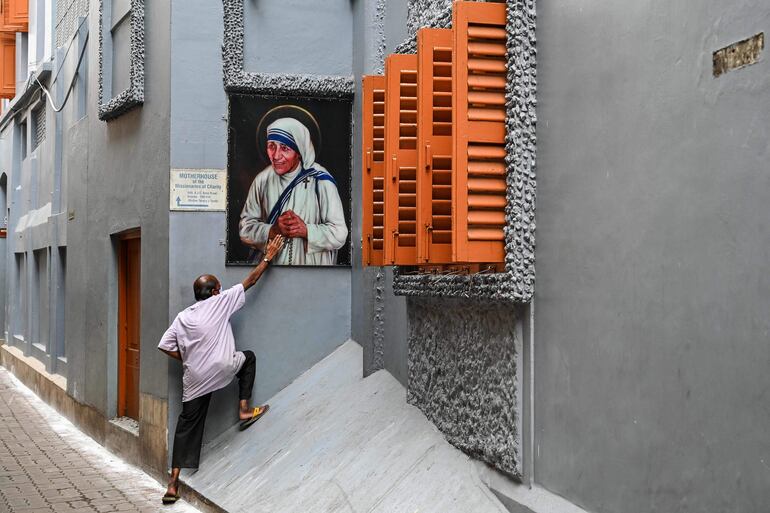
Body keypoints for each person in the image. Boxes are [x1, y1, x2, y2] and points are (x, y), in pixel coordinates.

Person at [157, 235, 285, 505]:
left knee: (187, 426)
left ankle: (172, 484)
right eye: (218, 286)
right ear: (214, 291)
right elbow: (250, 281)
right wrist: (268, 256)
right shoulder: (221, 301)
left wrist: (188, 358)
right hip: (224, 368)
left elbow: (164, 345)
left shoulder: (183, 317)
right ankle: (244, 409)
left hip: (195, 380)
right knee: (248, 359)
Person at [239, 117, 348, 265]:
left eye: (285, 148)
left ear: (299, 151)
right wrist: (272, 230)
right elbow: (245, 229)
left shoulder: (321, 180)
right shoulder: (262, 180)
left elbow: (340, 233)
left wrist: (306, 230)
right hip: (272, 272)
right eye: (271, 146)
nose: (276, 156)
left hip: (313, 272)